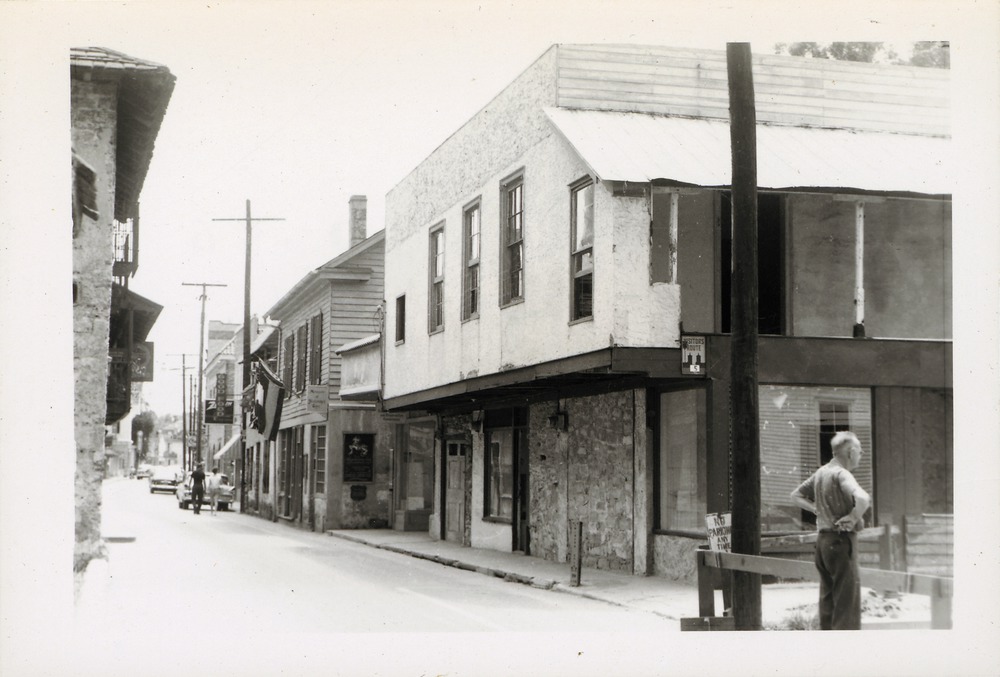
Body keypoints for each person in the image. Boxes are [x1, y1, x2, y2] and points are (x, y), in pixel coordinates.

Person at [791, 431, 871, 630]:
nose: (861, 456)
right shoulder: (842, 474)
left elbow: (796, 495)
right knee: (846, 605)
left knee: (828, 602)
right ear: (851, 452)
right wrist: (853, 517)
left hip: (823, 544)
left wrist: (816, 509)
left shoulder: (821, 473)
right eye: (860, 452)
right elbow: (863, 499)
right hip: (841, 542)